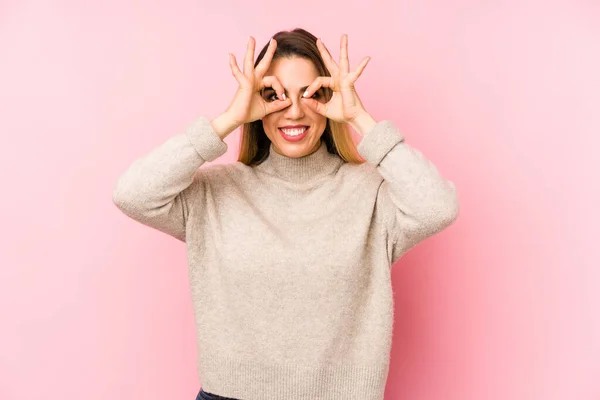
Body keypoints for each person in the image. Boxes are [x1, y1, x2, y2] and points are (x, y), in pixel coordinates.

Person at [112, 28, 459, 400]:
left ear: (331, 99)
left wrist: (360, 117)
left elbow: (437, 206)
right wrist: (228, 119)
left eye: (312, 94)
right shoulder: (215, 192)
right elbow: (133, 194)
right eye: (273, 95)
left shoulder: (370, 194)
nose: (294, 110)